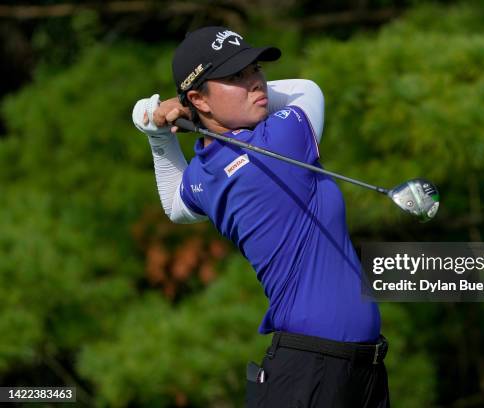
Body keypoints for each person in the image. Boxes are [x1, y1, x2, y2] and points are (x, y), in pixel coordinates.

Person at [132, 26, 390, 407]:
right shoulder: (282, 138)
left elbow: (174, 203)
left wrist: (157, 131)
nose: (257, 83)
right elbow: (307, 88)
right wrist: (169, 112)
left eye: (255, 70)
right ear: (198, 99)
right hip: (310, 371)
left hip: (348, 370)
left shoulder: (205, 174)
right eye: (236, 76)